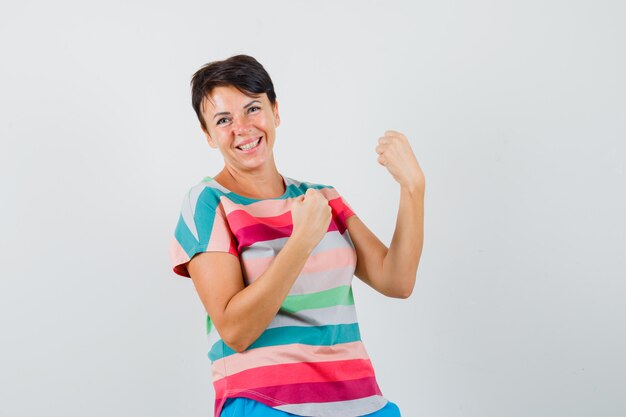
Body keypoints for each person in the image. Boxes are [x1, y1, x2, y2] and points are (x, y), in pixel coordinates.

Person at [169, 54, 425, 417]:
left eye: (252, 108)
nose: (242, 127)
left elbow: (396, 280)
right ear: (208, 135)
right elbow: (236, 330)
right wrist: (301, 240)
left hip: (361, 402)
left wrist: (413, 188)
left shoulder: (322, 198)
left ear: (276, 112)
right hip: (267, 402)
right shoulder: (208, 202)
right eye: (223, 119)